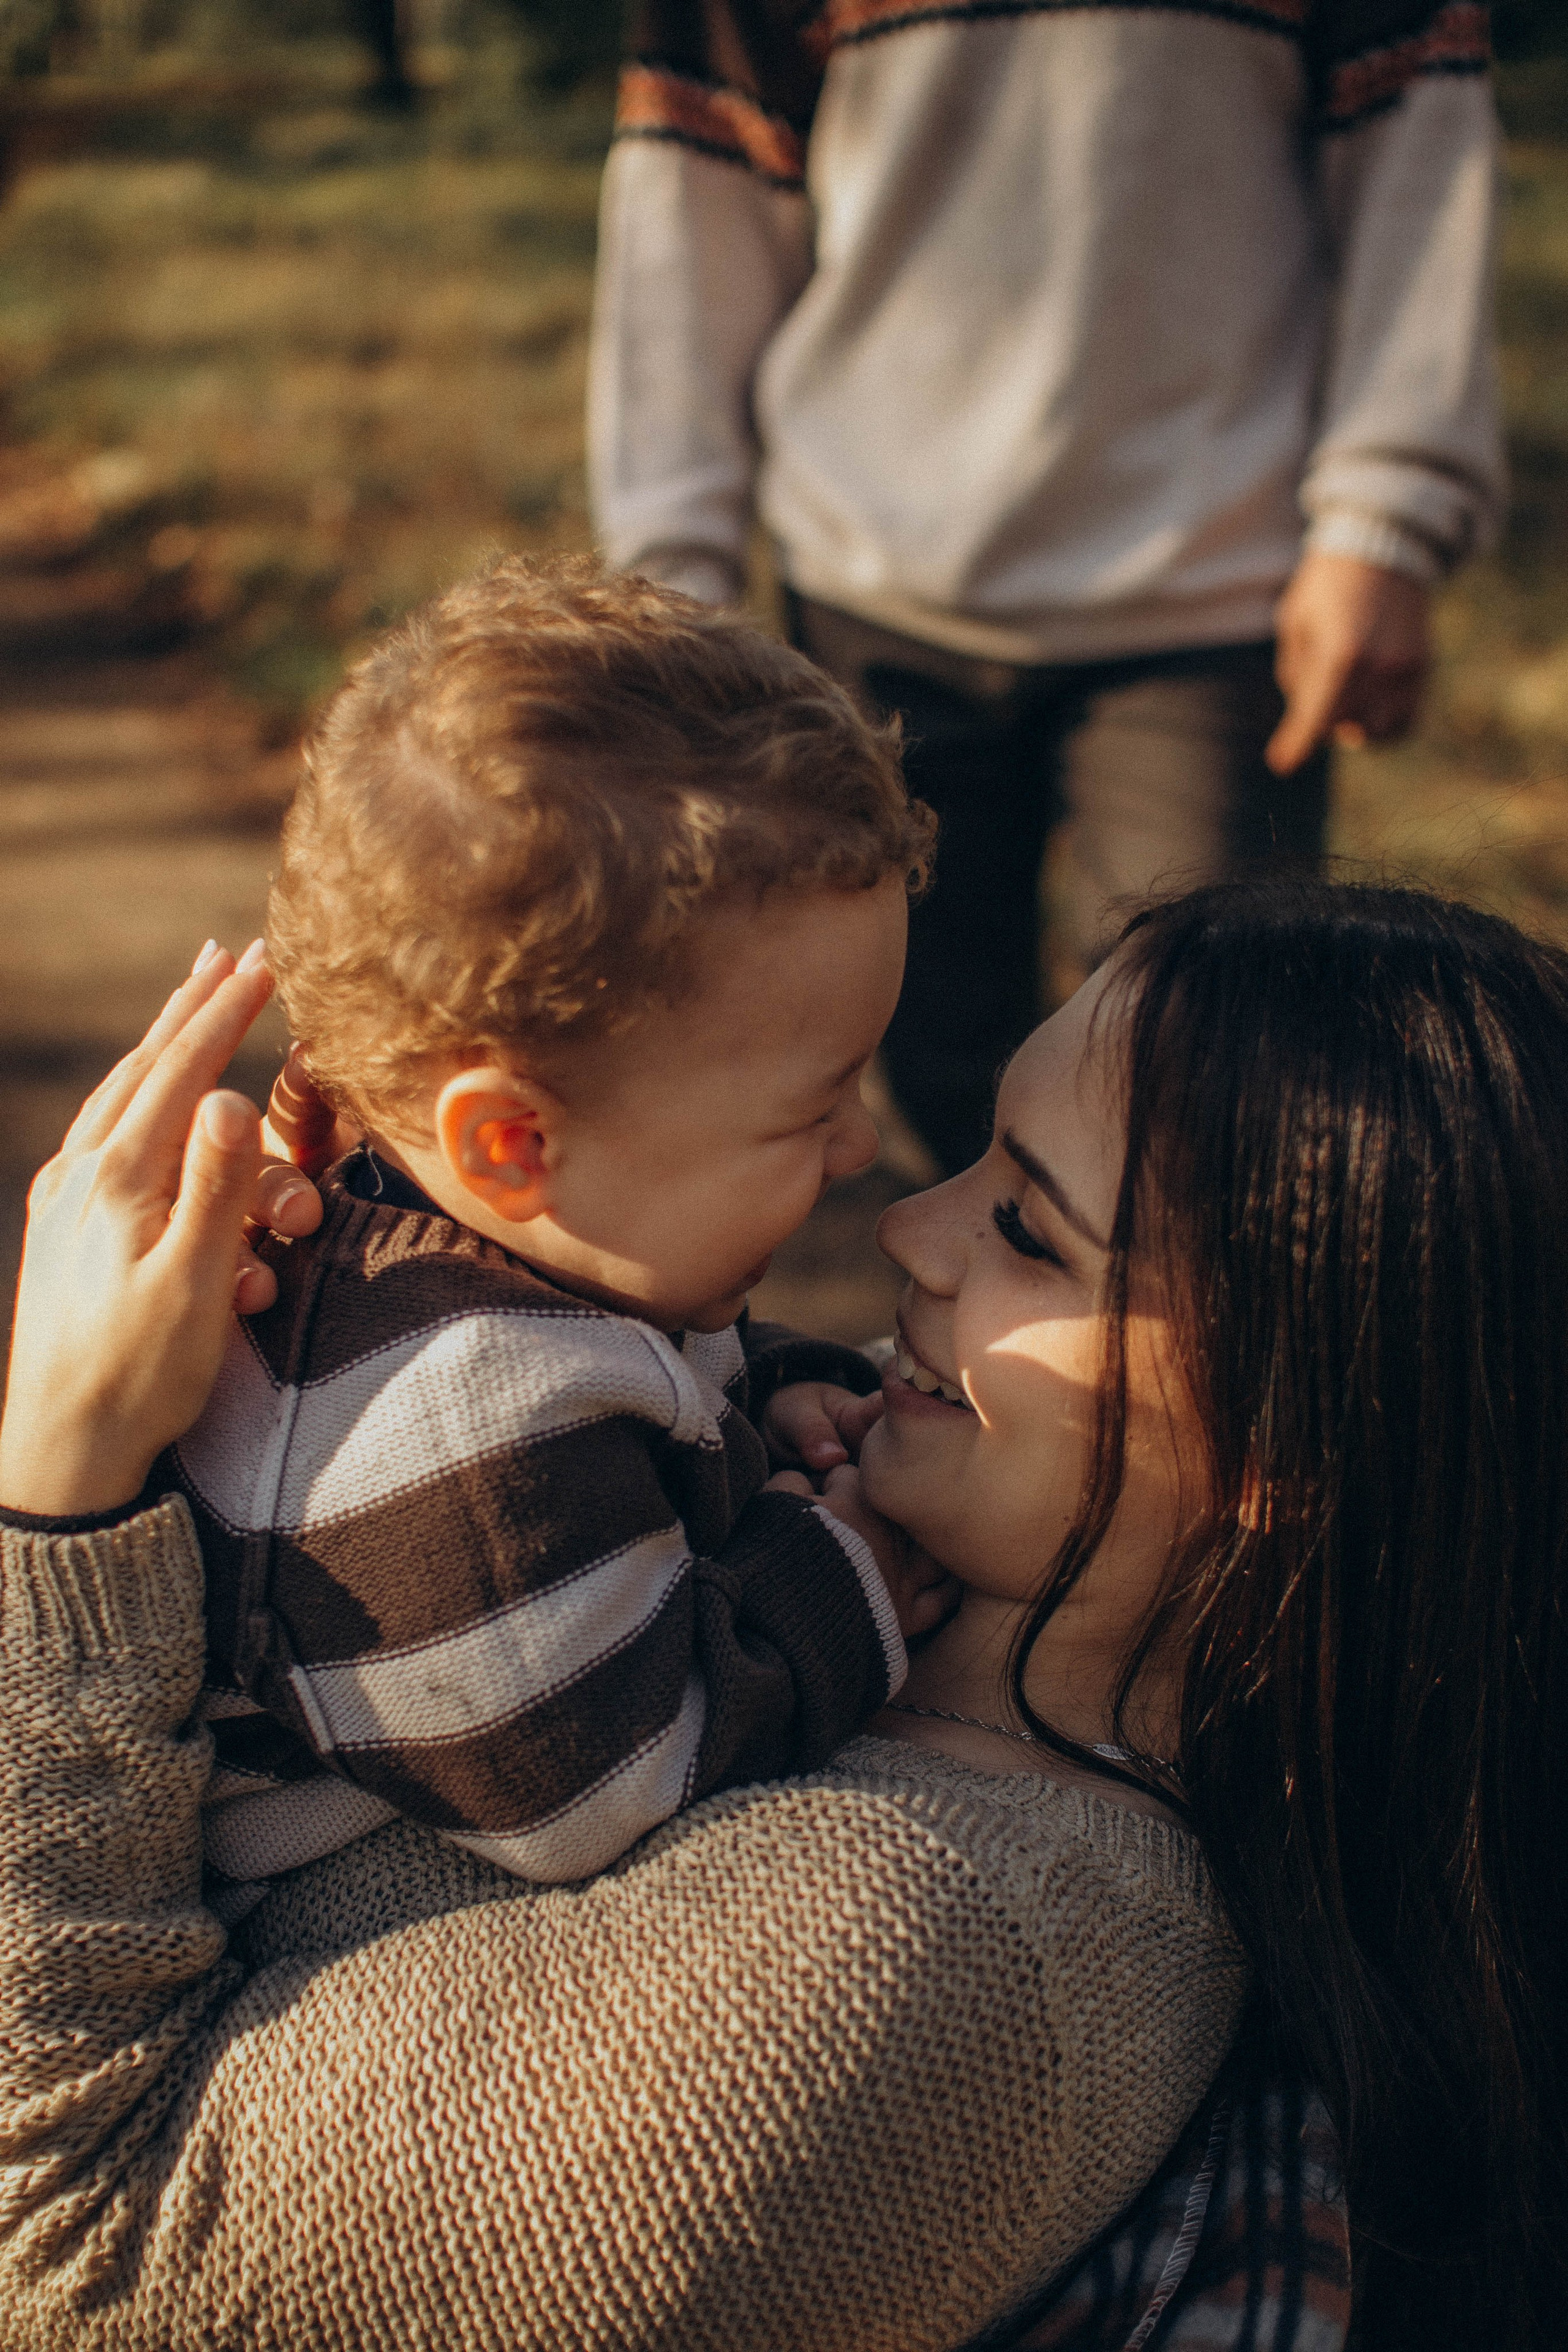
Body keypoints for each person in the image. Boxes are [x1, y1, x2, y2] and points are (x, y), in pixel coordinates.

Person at [3, 878, 1563, 2348]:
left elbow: (80, 2246)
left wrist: (65, 1497)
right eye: (976, 1159)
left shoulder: (922, 1966)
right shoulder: (833, 1544)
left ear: (1287, 1453)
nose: (905, 1226)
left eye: (1026, 1229)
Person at [589, 0, 1504, 1170]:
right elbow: (692, 209)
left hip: (1216, 591)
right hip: (872, 592)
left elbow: (1417, 164)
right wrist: (674, 589)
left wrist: (1388, 515)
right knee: (915, 1074)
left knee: (1210, 1082)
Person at [166, 558, 949, 1901]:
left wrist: (780, 1391)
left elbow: (661, 1393)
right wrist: (846, 1569)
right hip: (359, 1991)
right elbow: (614, 1786)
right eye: (809, 1111)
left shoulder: (541, 1254)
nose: (858, 1150)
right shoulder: (441, 1431)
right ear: (512, 1144)